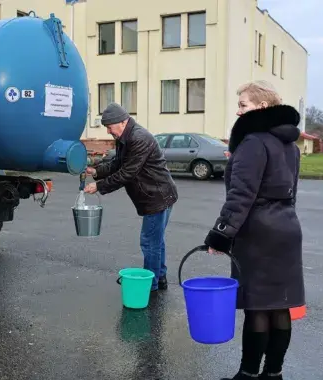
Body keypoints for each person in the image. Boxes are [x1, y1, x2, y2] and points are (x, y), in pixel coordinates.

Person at [203, 80, 305, 380]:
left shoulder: (253, 142)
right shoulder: (290, 145)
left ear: (261, 107)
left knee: (258, 306)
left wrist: (220, 235)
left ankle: (247, 375)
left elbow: (241, 196)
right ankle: (273, 374)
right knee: (280, 304)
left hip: (259, 232)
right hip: (287, 228)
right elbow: (290, 191)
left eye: (243, 104)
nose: (238, 111)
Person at [83, 103, 178, 292]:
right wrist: (96, 171)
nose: (109, 132)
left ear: (122, 122)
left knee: (150, 241)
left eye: (110, 127)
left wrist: (99, 186)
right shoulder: (126, 137)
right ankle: (160, 277)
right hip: (157, 194)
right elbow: (118, 162)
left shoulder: (138, 138)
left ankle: (151, 285)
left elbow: (127, 173)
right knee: (156, 240)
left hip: (157, 197)